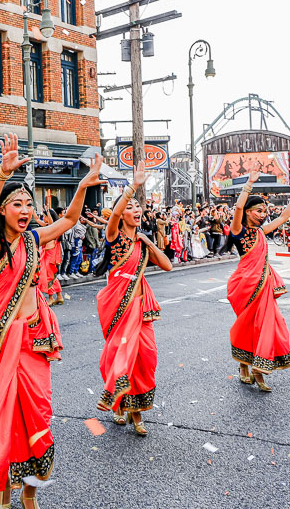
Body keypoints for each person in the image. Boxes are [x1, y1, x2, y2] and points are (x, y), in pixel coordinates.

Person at [0, 133, 102, 508]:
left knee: (37, 413)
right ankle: (4, 494)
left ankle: (29, 491)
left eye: (28, 203)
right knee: (5, 418)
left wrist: (80, 186)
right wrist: (0, 175)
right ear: (3, 210)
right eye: (16, 204)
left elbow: (71, 219)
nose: (24, 210)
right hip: (1, 340)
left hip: (33, 339)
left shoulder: (33, 240)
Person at [95, 162, 171, 434]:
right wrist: (133, 186)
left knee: (145, 358)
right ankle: (121, 406)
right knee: (119, 357)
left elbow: (167, 265)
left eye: (138, 206)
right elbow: (115, 212)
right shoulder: (113, 236)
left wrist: (149, 242)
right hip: (117, 305)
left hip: (141, 308)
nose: (136, 210)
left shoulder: (141, 243)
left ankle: (137, 411)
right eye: (130, 207)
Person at [226, 173, 290, 391]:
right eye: (258, 211)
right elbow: (238, 209)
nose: (263, 215)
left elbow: (283, 218)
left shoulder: (262, 231)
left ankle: (259, 370)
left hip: (264, 287)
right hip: (245, 286)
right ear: (249, 213)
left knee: (269, 326)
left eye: (264, 211)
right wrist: (249, 184)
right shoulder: (238, 231)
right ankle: (244, 365)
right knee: (248, 327)